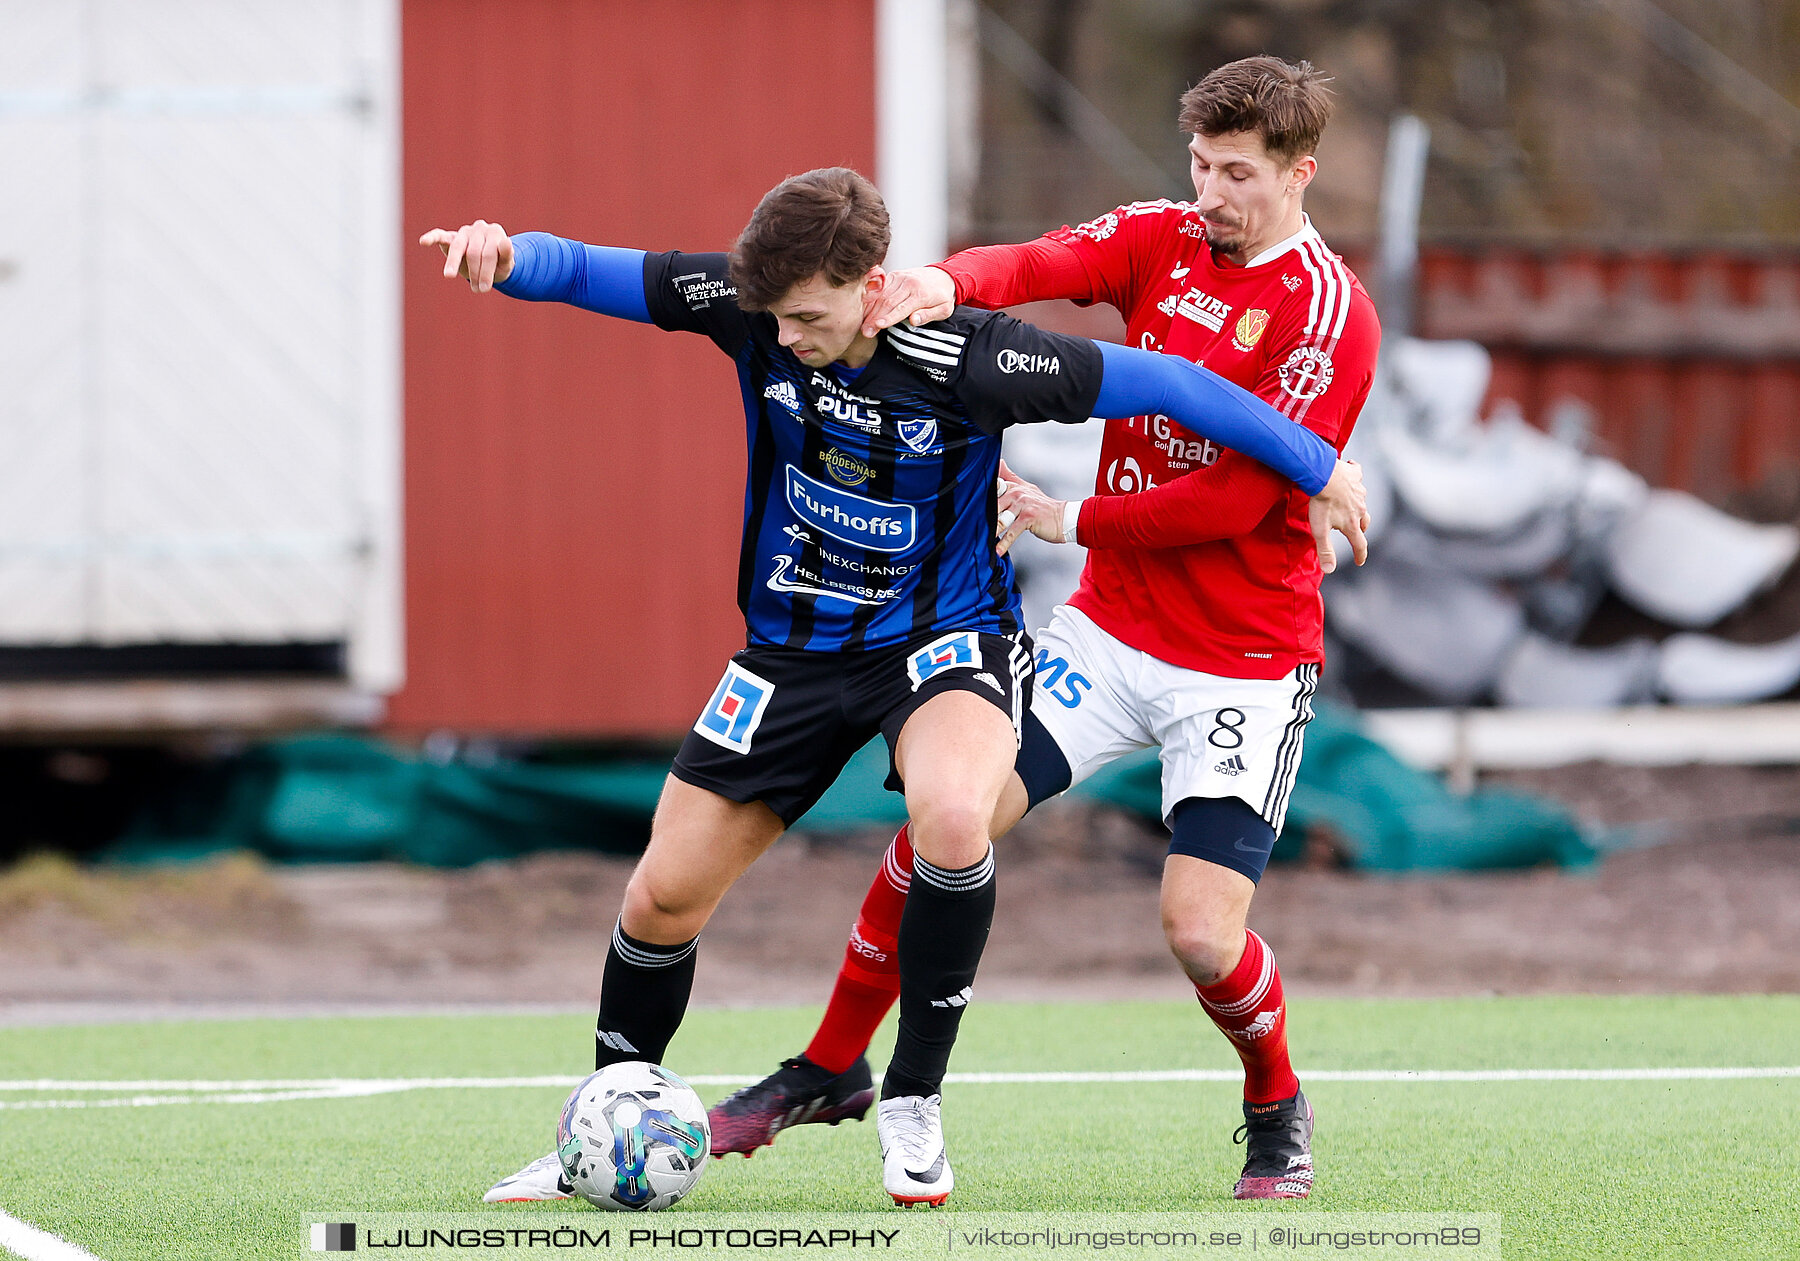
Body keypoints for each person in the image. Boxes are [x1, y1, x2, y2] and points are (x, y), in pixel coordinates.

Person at [421, 165, 1367, 1206]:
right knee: (658, 897)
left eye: (809, 317)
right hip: (791, 650)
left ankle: (913, 1099)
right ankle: (601, 1124)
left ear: (872, 283)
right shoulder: (758, 310)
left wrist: (1316, 463)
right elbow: (615, 276)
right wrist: (509, 258)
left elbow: (1175, 388)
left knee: (954, 818)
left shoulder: (979, 356)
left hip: (942, 646)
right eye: (773, 318)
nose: (785, 338)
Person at [708, 57, 1380, 1202]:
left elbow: (1239, 500)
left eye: (1236, 174)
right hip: (1108, 635)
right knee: (946, 823)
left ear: (1300, 173)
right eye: (1199, 166)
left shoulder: (1328, 314)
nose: (1208, 194)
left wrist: (1071, 516)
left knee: (1200, 934)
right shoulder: (1167, 235)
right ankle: (829, 1067)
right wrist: (942, 280)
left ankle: (1275, 1100)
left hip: (1243, 658)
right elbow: (1044, 262)